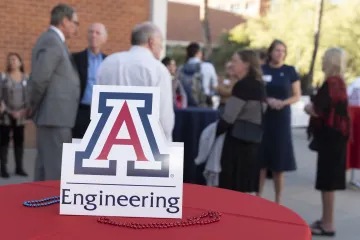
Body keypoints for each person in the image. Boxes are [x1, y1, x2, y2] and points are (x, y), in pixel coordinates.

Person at [96, 22, 174, 141]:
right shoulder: (158, 69)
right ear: (151, 41)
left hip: (108, 141)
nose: (161, 47)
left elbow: (97, 106)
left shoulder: (107, 63)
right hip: (146, 144)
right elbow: (164, 119)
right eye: (161, 42)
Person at [28, 4, 80, 181]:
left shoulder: (55, 41)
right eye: (75, 22)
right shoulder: (52, 41)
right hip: (54, 118)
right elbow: (39, 79)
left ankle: (39, 204)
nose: (76, 27)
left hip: (56, 118)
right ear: (64, 21)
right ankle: (48, 206)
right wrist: (32, 107)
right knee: (54, 170)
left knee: (46, 167)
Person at [305, 48, 349, 237]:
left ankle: (328, 224)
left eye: (324, 58)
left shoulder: (331, 83)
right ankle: (325, 219)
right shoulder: (340, 83)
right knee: (328, 182)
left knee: (327, 183)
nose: (322, 61)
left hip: (330, 139)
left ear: (330, 61)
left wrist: (308, 108)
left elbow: (318, 110)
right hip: (336, 138)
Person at [215, 50, 267, 193]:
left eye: (235, 61)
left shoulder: (243, 86)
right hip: (253, 141)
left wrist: (214, 133)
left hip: (237, 143)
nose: (231, 65)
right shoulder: (258, 84)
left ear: (246, 64)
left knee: (231, 189)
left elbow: (229, 117)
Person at [257, 40, 301, 204]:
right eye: (277, 50)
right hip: (264, 117)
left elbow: (296, 95)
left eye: (283, 51)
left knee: (278, 161)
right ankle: (258, 197)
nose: (280, 53)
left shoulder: (290, 71)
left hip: (281, 118)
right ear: (270, 52)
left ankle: (278, 201)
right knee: (261, 160)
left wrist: (282, 103)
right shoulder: (262, 70)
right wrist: (267, 100)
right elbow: (257, 91)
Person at [72, 23, 108, 139]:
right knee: (78, 146)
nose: (93, 35)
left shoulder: (108, 61)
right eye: (91, 32)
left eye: (98, 33)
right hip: (81, 111)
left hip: (102, 113)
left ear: (104, 38)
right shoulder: (75, 58)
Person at [0, 53, 29, 178]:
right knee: (4, 143)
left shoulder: (26, 78)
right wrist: (8, 110)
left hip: (21, 116)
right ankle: (3, 169)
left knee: (19, 142)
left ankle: (19, 168)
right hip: (5, 115)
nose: (12, 62)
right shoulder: (4, 77)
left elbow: (29, 97)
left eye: (14, 59)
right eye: (10, 60)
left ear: (20, 63)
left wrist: (23, 112)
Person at [176, 42, 218, 107]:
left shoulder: (180, 68)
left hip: (185, 107)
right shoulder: (208, 66)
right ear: (199, 53)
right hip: (203, 106)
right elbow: (215, 86)